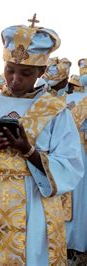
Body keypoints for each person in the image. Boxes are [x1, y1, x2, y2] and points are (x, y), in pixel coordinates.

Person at [0, 16, 84, 265]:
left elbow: (70, 163)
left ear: (41, 72)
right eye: (10, 70)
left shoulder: (55, 111)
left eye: (25, 73)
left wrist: (28, 150)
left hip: (34, 203)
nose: (15, 79)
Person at [65, 58, 87, 255]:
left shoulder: (66, 100)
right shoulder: (67, 100)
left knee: (77, 197)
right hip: (79, 148)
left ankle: (74, 240)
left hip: (76, 148)